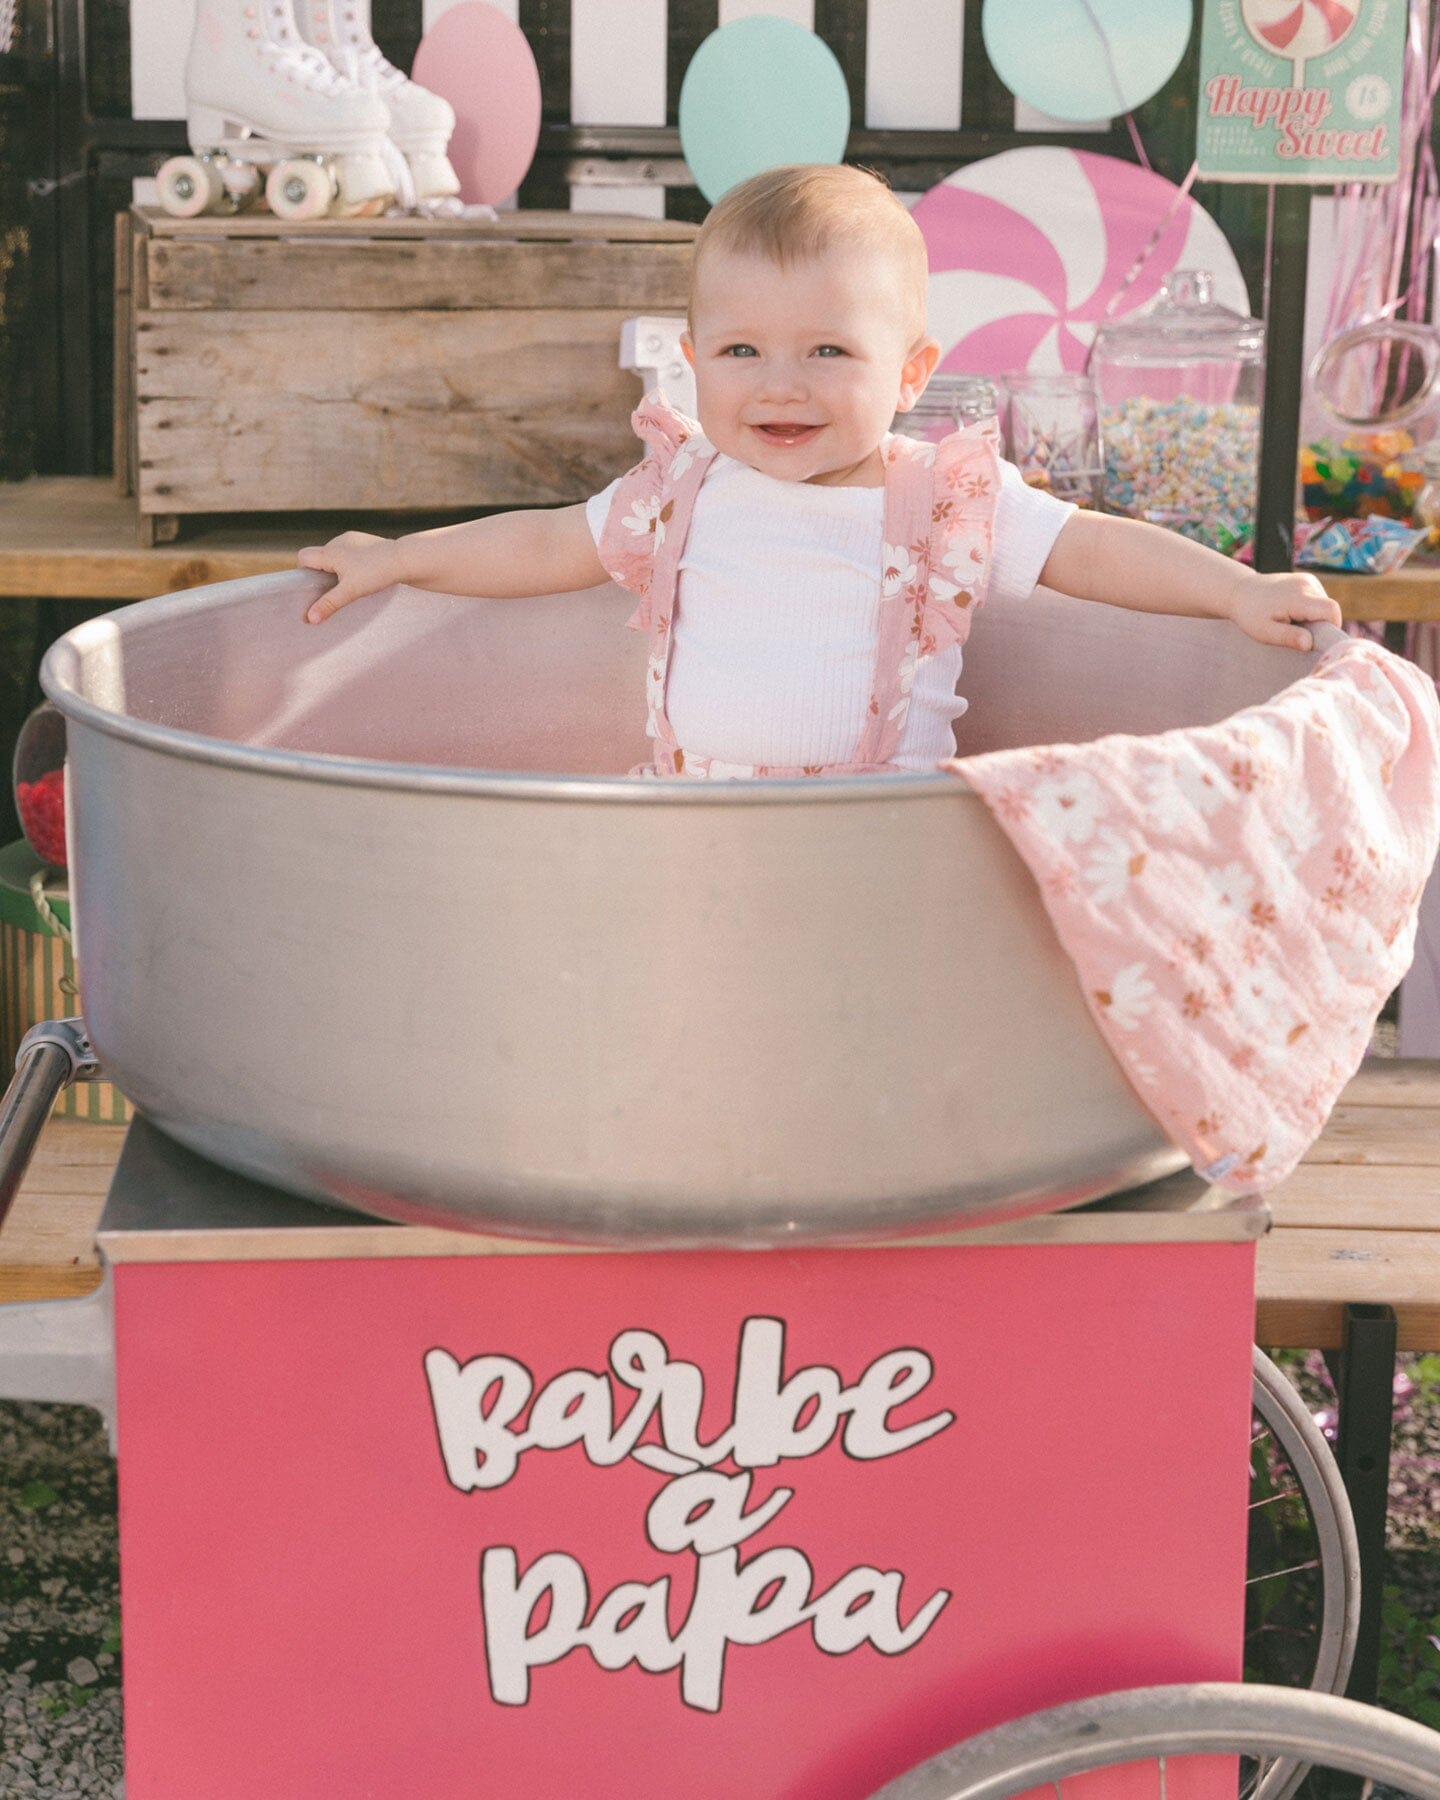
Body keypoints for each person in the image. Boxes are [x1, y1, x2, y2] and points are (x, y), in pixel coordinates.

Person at [298, 163, 1342, 778]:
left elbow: (1095, 550)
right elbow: (540, 541)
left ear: (909, 374)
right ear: (695, 363)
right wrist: (397, 558)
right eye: (743, 353)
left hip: (877, 836)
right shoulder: (679, 489)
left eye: (830, 352)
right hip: (694, 821)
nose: (781, 388)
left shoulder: (938, 494)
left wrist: (1236, 590)